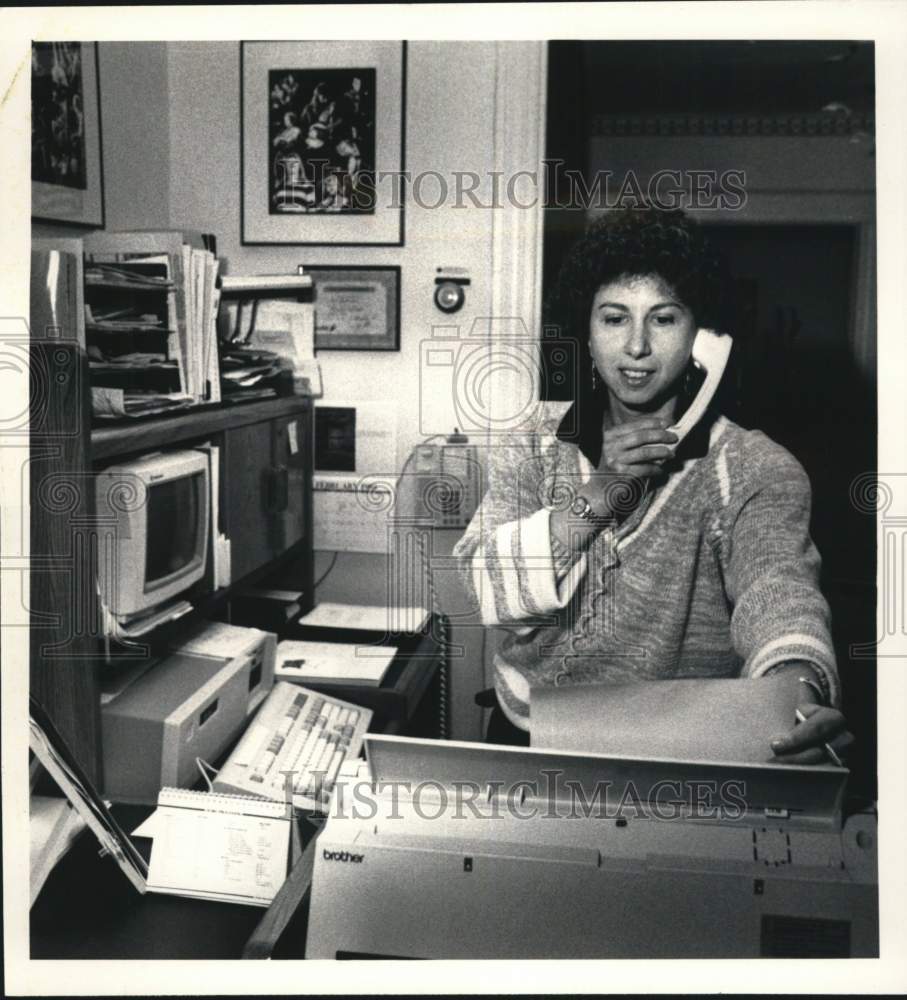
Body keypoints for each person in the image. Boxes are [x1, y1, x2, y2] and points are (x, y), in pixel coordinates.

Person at [454, 205, 852, 763]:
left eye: (663, 319)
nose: (636, 346)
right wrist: (595, 500)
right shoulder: (534, 443)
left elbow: (779, 595)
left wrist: (796, 692)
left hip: (683, 750)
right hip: (530, 735)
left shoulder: (754, 467)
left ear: (704, 337)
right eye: (614, 318)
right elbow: (486, 589)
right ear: (586, 332)